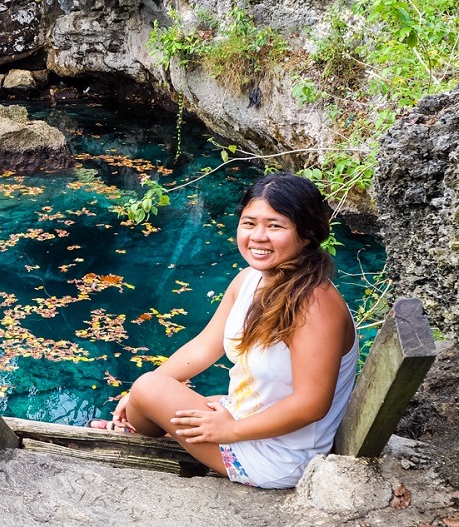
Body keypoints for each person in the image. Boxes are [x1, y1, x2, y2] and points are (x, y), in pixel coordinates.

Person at [89, 172, 358, 489]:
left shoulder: (315, 304)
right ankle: (136, 421)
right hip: (247, 419)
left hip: (279, 456)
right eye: (249, 223)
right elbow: (204, 347)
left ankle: (133, 429)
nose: (258, 236)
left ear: (308, 233)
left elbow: (311, 404)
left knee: (149, 387)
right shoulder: (249, 280)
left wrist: (228, 430)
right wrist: (135, 396)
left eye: (275, 226)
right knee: (150, 390)